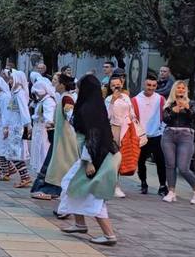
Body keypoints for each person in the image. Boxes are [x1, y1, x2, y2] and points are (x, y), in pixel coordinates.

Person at [57, 74, 121, 246]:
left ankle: (109, 235)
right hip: (98, 156)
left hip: (95, 158)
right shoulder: (95, 106)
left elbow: (92, 136)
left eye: (80, 87)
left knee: (93, 196)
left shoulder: (88, 109)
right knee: (72, 185)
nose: (77, 89)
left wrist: (89, 161)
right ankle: (79, 223)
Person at [32, 73, 76, 200]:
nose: (54, 85)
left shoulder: (66, 98)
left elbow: (70, 115)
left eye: (56, 83)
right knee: (55, 164)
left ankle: (51, 190)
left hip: (64, 139)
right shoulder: (63, 97)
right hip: (60, 137)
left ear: (62, 85)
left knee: (58, 166)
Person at [161, 80, 195, 204]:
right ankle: (171, 191)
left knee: (183, 167)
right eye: (178, 88)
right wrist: (174, 111)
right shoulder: (169, 104)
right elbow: (165, 119)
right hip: (169, 135)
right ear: (174, 90)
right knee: (170, 165)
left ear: (186, 90)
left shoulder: (192, 103)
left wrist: (187, 108)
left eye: (183, 88)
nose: (181, 90)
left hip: (186, 135)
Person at [133, 75, 168, 196]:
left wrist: (162, 129)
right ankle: (143, 183)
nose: (151, 88)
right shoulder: (136, 100)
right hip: (142, 136)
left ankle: (163, 186)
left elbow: (165, 116)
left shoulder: (161, 99)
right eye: (149, 85)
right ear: (144, 84)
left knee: (160, 161)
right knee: (141, 161)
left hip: (157, 135)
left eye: (154, 86)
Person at [0, 70, 32, 186]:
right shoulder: (15, 94)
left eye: (12, 79)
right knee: (13, 153)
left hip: (18, 127)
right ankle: (25, 177)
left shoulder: (20, 94)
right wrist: (6, 126)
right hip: (13, 126)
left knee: (14, 153)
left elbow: (24, 111)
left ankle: (25, 177)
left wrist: (27, 125)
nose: (10, 81)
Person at [105, 74, 134, 199]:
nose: (116, 87)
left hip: (126, 128)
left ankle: (116, 185)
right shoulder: (108, 99)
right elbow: (107, 116)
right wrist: (112, 101)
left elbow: (131, 112)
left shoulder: (126, 97)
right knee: (114, 157)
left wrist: (132, 121)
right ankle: (114, 185)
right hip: (114, 129)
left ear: (121, 84)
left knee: (123, 157)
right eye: (113, 85)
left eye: (118, 84)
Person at [29, 75, 57, 178]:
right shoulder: (42, 101)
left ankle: (44, 174)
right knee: (37, 151)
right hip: (38, 129)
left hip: (43, 130)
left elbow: (48, 117)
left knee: (43, 151)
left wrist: (47, 124)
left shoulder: (48, 101)